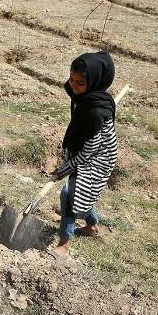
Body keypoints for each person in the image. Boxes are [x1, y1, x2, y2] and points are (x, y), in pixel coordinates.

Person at [47, 52, 118, 259]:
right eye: (71, 79)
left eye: (80, 83)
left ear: (95, 82)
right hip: (86, 150)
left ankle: (64, 243)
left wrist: (64, 169)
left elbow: (89, 152)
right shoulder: (85, 97)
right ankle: (93, 226)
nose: (73, 86)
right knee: (82, 192)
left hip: (100, 156)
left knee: (69, 193)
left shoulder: (96, 111)